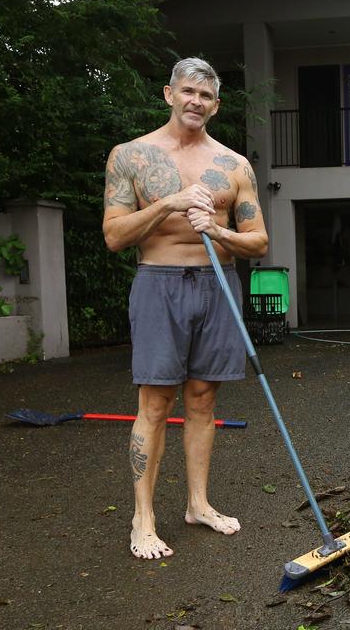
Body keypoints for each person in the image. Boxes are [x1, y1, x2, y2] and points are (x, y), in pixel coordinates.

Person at [102, 57, 268, 560]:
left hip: (218, 285)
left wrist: (217, 230)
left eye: (207, 95)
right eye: (188, 91)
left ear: (216, 107)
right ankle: (143, 518)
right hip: (160, 281)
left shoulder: (234, 165)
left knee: (202, 400)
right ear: (169, 94)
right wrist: (169, 204)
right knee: (155, 404)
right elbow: (114, 236)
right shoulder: (130, 156)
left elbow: (258, 242)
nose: (197, 101)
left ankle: (197, 504)